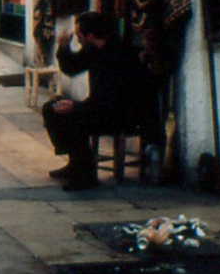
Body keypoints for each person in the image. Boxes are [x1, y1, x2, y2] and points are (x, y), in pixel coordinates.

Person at [42, 12, 159, 190]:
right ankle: (75, 163)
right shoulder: (93, 49)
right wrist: (64, 47)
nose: (77, 37)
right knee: (52, 108)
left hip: (123, 114)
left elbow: (114, 99)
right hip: (99, 107)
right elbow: (72, 67)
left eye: (79, 33)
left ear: (89, 35)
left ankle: (85, 175)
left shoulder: (121, 55)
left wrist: (78, 106)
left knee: (74, 118)